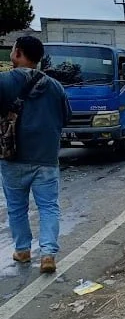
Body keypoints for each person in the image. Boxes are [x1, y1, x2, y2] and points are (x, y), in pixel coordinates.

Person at [0, 36, 71, 274]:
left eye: (12, 51)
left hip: (14, 157)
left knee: (17, 207)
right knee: (49, 206)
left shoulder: (5, 81)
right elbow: (66, 117)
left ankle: (22, 250)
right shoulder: (56, 86)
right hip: (47, 158)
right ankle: (48, 254)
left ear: (18, 53)